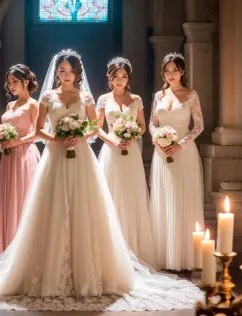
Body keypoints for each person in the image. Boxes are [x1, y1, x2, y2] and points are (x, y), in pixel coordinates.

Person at [0, 50, 202, 312]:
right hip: (54, 157)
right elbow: (40, 129)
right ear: (57, 72)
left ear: (78, 73)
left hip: (82, 159)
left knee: (84, 209)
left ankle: (89, 272)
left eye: (70, 71)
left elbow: (92, 126)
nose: (65, 75)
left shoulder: (86, 96)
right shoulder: (48, 97)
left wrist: (78, 136)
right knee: (51, 211)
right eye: (61, 70)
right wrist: (57, 139)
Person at [96, 57, 155, 267]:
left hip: (130, 152)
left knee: (131, 195)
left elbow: (142, 126)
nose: (119, 80)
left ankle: (132, 248)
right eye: (116, 76)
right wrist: (112, 138)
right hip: (111, 151)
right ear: (109, 77)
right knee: (110, 195)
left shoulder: (136, 99)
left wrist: (132, 135)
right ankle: (110, 251)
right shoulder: (103, 99)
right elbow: (97, 127)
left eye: (124, 76)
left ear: (128, 78)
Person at [149, 52, 205, 271]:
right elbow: (153, 123)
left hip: (184, 152)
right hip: (162, 152)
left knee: (183, 199)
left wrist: (180, 144)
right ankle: (164, 256)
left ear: (182, 71)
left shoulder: (191, 95)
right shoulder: (158, 96)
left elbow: (199, 125)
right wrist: (157, 139)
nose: (170, 74)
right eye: (166, 70)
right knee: (165, 199)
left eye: (174, 70)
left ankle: (186, 258)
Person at [0, 64, 41, 259]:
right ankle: (7, 250)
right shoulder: (10, 106)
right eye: (9, 82)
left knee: (22, 199)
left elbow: (38, 134)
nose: (11, 86)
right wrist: (0, 138)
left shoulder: (33, 104)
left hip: (24, 155)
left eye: (15, 81)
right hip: (8, 157)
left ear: (26, 82)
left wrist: (17, 141)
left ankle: (24, 254)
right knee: (8, 198)